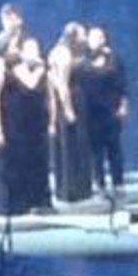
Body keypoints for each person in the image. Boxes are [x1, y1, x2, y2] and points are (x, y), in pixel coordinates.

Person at [0, 37, 52, 214]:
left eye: (36, 49)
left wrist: (52, 121)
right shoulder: (2, 68)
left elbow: (49, 97)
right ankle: (14, 204)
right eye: (28, 49)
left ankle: (38, 201)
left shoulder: (42, 70)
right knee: (14, 163)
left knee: (37, 162)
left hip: (37, 124)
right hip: (13, 123)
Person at [77, 25, 129, 200]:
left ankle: (118, 184)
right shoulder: (82, 63)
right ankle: (99, 184)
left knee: (114, 149)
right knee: (96, 152)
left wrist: (123, 106)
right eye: (93, 37)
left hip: (111, 112)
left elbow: (123, 86)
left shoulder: (114, 59)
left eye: (100, 37)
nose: (97, 40)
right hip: (92, 113)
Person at [48, 22, 92, 202]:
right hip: (71, 100)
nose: (85, 38)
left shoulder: (60, 51)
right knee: (72, 146)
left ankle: (68, 189)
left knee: (70, 146)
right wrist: (68, 109)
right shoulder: (64, 53)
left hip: (70, 100)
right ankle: (73, 190)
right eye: (83, 34)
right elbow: (61, 84)